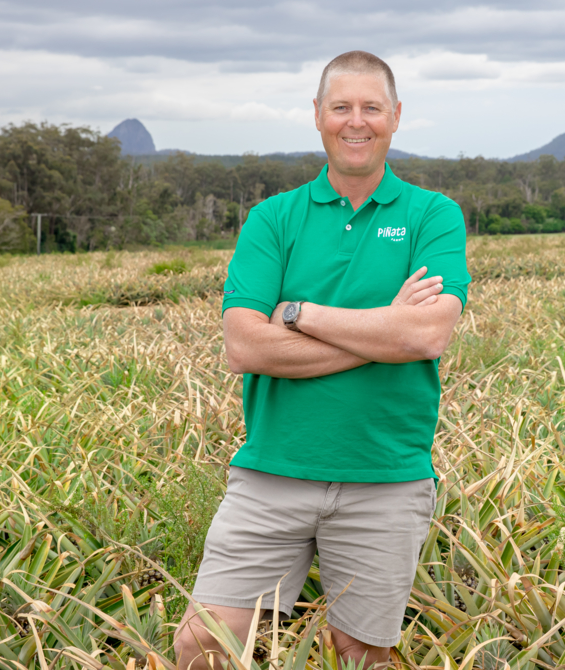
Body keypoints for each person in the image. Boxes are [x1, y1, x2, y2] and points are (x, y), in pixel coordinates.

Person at [173, 51, 470, 670]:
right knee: (204, 641)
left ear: (395, 117)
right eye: (341, 107)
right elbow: (243, 347)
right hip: (272, 472)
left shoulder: (431, 215)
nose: (355, 122)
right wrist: (381, 329)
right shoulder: (273, 218)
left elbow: (426, 337)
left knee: (361, 653)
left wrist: (297, 312)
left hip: (386, 477)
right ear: (317, 116)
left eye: (370, 108)